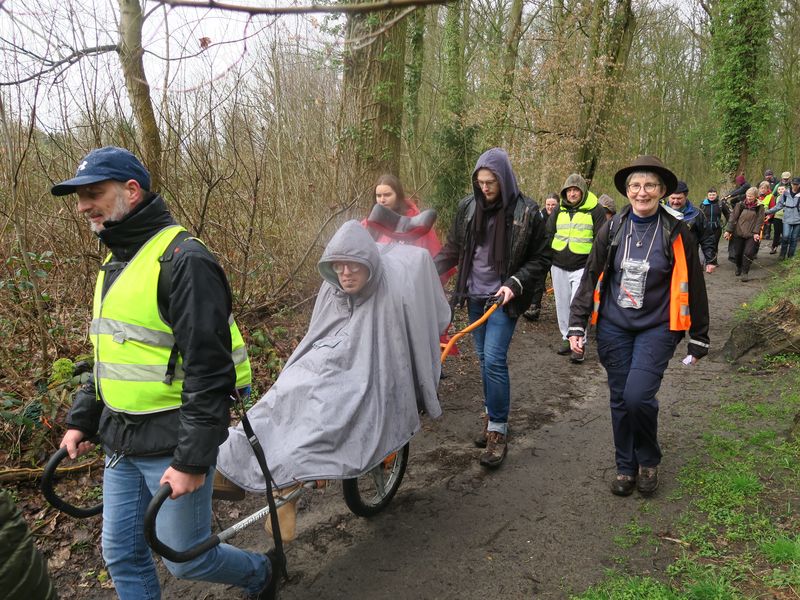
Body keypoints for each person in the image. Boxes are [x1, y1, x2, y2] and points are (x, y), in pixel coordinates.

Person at [51, 147, 277, 600]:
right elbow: (110, 356)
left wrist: (191, 459)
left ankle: (260, 574)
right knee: (121, 554)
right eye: (78, 197)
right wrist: (82, 419)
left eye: (93, 193)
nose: (82, 206)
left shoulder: (184, 260)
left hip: (172, 440)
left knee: (187, 557)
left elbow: (210, 372)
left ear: (131, 191)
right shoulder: (114, 262)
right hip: (121, 438)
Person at [216, 220, 449, 492]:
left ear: (369, 266)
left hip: (359, 375)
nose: (346, 274)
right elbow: (317, 333)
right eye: (339, 266)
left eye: (353, 266)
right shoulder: (332, 289)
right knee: (281, 398)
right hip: (321, 364)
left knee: (325, 413)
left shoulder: (390, 295)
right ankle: (231, 459)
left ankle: (287, 477)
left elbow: (394, 353)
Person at [567, 155, 710, 497]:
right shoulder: (613, 228)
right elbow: (591, 275)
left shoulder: (677, 231)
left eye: (649, 185)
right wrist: (577, 324)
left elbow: (695, 283)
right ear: (627, 191)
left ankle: (647, 458)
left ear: (662, 191)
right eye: (634, 185)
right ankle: (625, 465)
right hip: (614, 326)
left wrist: (699, 337)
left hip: (658, 326)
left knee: (637, 396)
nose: (641, 192)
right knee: (619, 397)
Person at [433, 147, 550, 467]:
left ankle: (497, 429)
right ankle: (491, 414)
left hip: (503, 299)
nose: (484, 188)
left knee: (495, 360)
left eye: (491, 182)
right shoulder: (467, 208)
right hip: (474, 295)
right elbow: (454, 248)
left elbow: (541, 259)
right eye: (480, 182)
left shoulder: (527, 211)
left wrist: (515, 283)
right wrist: (426, 271)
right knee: (484, 360)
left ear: (504, 179)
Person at [548, 173, 606, 363]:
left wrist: (595, 265)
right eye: (569, 190)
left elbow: (600, 239)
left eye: (576, 190)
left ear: (583, 191)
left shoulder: (595, 210)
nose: (572, 194)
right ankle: (566, 337)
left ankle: (579, 344)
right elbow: (549, 232)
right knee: (562, 304)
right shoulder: (559, 209)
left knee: (578, 304)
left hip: (583, 266)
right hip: (558, 265)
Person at [524, 192, 559, 321]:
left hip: (557, 255)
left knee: (559, 283)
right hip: (542, 254)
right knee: (538, 280)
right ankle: (534, 308)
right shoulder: (539, 216)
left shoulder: (562, 216)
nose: (550, 207)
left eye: (553, 205)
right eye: (548, 204)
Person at [667, 181, 717, 272]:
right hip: (665, 262)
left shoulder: (697, 214)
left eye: (679, 198)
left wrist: (710, 260)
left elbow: (707, 237)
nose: (675, 201)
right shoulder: (661, 213)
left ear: (685, 197)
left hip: (689, 260)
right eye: (672, 198)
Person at [724, 187, 765, 281]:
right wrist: (728, 231)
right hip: (738, 233)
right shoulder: (740, 205)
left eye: (751, 196)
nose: (749, 198)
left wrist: (756, 233)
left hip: (751, 234)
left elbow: (760, 221)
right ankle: (738, 266)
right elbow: (733, 218)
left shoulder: (760, 207)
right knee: (737, 253)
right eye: (747, 196)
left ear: (755, 196)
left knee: (748, 253)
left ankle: (745, 272)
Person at [765, 176, 800, 260]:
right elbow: (779, 206)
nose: (795, 186)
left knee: (794, 238)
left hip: (798, 220)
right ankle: (782, 254)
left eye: (797, 184)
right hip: (787, 218)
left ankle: (790, 256)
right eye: (793, 184)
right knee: (785, 236)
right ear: (791, 184)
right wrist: (767, 212)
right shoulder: (786, 193)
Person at [699, 187, 730, 270]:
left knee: (714, 245)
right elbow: (699, 216)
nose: (712, 196)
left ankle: (713, 261)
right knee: (703, 245)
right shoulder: (703, 204)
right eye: (710, 195)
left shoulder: (720, 204)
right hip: (705, 228)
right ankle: (702, 263)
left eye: (713, 195)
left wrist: (728, 227)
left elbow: (728, 215)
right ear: (707, 195)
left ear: (716, 195)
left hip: (716, 228)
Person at [766, 184, 786, 254]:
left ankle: (783, 250)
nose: (781, 190)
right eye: (779, 189)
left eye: (782, 189)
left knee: (785, 234)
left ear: (785, 190)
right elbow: (773, 208)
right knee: (776, 233)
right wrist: (769, 215)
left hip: (786, 218)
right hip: (777, 218)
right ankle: (774, 248)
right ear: (777, 191)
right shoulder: (776, 198)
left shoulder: (788, 197)